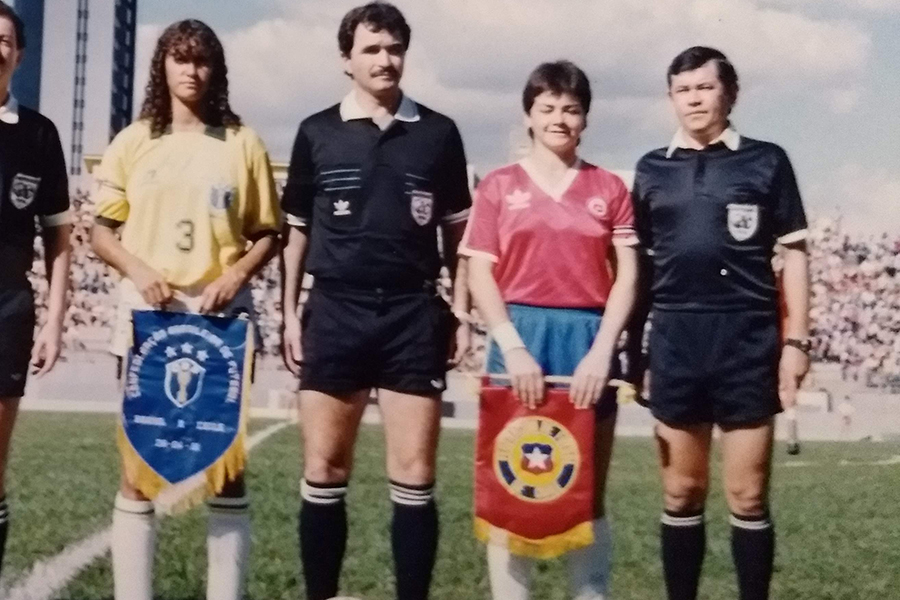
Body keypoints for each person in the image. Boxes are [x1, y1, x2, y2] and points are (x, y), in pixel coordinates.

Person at [279, 3, 471, 599]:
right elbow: (296, 233)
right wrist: (288, 314)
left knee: (414, 473)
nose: (384, 60)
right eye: (371, 49)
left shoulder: (438, 133)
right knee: (324, 469)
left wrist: (461, 310)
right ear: (347, 59)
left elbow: (459, 236)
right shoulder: (317, 131)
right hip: (335, 309)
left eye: (393, 49)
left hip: (412, 313)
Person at [90, 20, 280, 600]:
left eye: (201, 60)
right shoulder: (134, 140)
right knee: (138, 467)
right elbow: (100, 232)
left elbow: (268, 233)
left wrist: (235, 273)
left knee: (227, 469)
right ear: (163, 67)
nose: (191, 70)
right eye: (180, 58)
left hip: (221, 318)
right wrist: (139, 270)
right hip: (149, 316)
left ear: (215, 69)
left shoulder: (242, 142)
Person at [628, 46, 810, 600]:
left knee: (747, 495)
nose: (694, 100)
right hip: (676, 340)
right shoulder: (651, 168)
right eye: (683, 90)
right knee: (681, 492)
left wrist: (796, 341)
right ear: (671, 98)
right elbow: (638, 270)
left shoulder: (767, 161)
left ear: (730, 93)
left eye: (704, 88)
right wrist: (635, 351)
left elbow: (795, 254)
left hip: (746, 339)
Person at [462, 61, 639, 600]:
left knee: (587, 489)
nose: (559, 118)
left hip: (586, 339)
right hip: (519, 336)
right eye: (548, 108)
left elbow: (628, 274)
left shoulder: (608, 187)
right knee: (513, 485)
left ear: (585, 118)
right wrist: (512, 348)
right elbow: (479, 272)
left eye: (571, 109)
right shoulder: (499, 186)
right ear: (529, 115)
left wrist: (602, 351)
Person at [0, 0, 72, 576]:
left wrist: (52, 320)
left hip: (7, 307)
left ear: (19, 55)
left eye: (4, 40)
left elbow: (59, 238)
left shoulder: (39, 134)